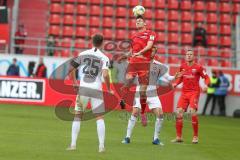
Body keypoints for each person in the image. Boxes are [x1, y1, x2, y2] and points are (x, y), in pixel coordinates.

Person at [66, 34, 113, 153]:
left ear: (92, 41)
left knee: (78, 115)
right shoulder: (104, 58)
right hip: (96, 89)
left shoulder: (83, 54)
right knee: (99, 117)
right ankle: (101, 146)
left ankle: (73, 145)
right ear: (102, 43)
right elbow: (106, 75)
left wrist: (75, 82)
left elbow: (71, 69)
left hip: (83, 88)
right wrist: (108, 88)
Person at [121, 55, 182, 145]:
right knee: (134, 113)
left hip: (153, 94)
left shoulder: (159, 65)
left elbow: (168, 78)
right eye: (149, 50)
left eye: (153, 50)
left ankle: (156, 138)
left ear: (154, 52)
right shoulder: (140, 63)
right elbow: (131, 75)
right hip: (140, 92)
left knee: (160, 115)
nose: (150, 52)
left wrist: (174, 77)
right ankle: (127, 137)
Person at [119, 15, 157, 127]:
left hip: (144, 64)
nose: (138, 22)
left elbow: (150, 46)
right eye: (136, 21)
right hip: (133, 62)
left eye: (140, 21)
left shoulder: (151, 33)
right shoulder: (133, 36)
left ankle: (143, 113)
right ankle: (122, 99)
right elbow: (131, 51)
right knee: (129, 80)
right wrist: (124, 56)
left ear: (145, 24)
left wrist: (140, 52)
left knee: (142, 92)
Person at [171, 49, 210, 144]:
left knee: (192, 112)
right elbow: (180, 78)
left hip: (194, 93)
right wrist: (175, 84)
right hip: (184, 93)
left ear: (194, 56)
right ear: (185, 56)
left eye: (190, 54)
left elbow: (207, 77)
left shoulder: (199, 67)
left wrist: (206, 85)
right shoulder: (182, 66)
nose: (188, 56)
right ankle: (179, 137)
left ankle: (195, 136)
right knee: (179, 113)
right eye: (187, 54)